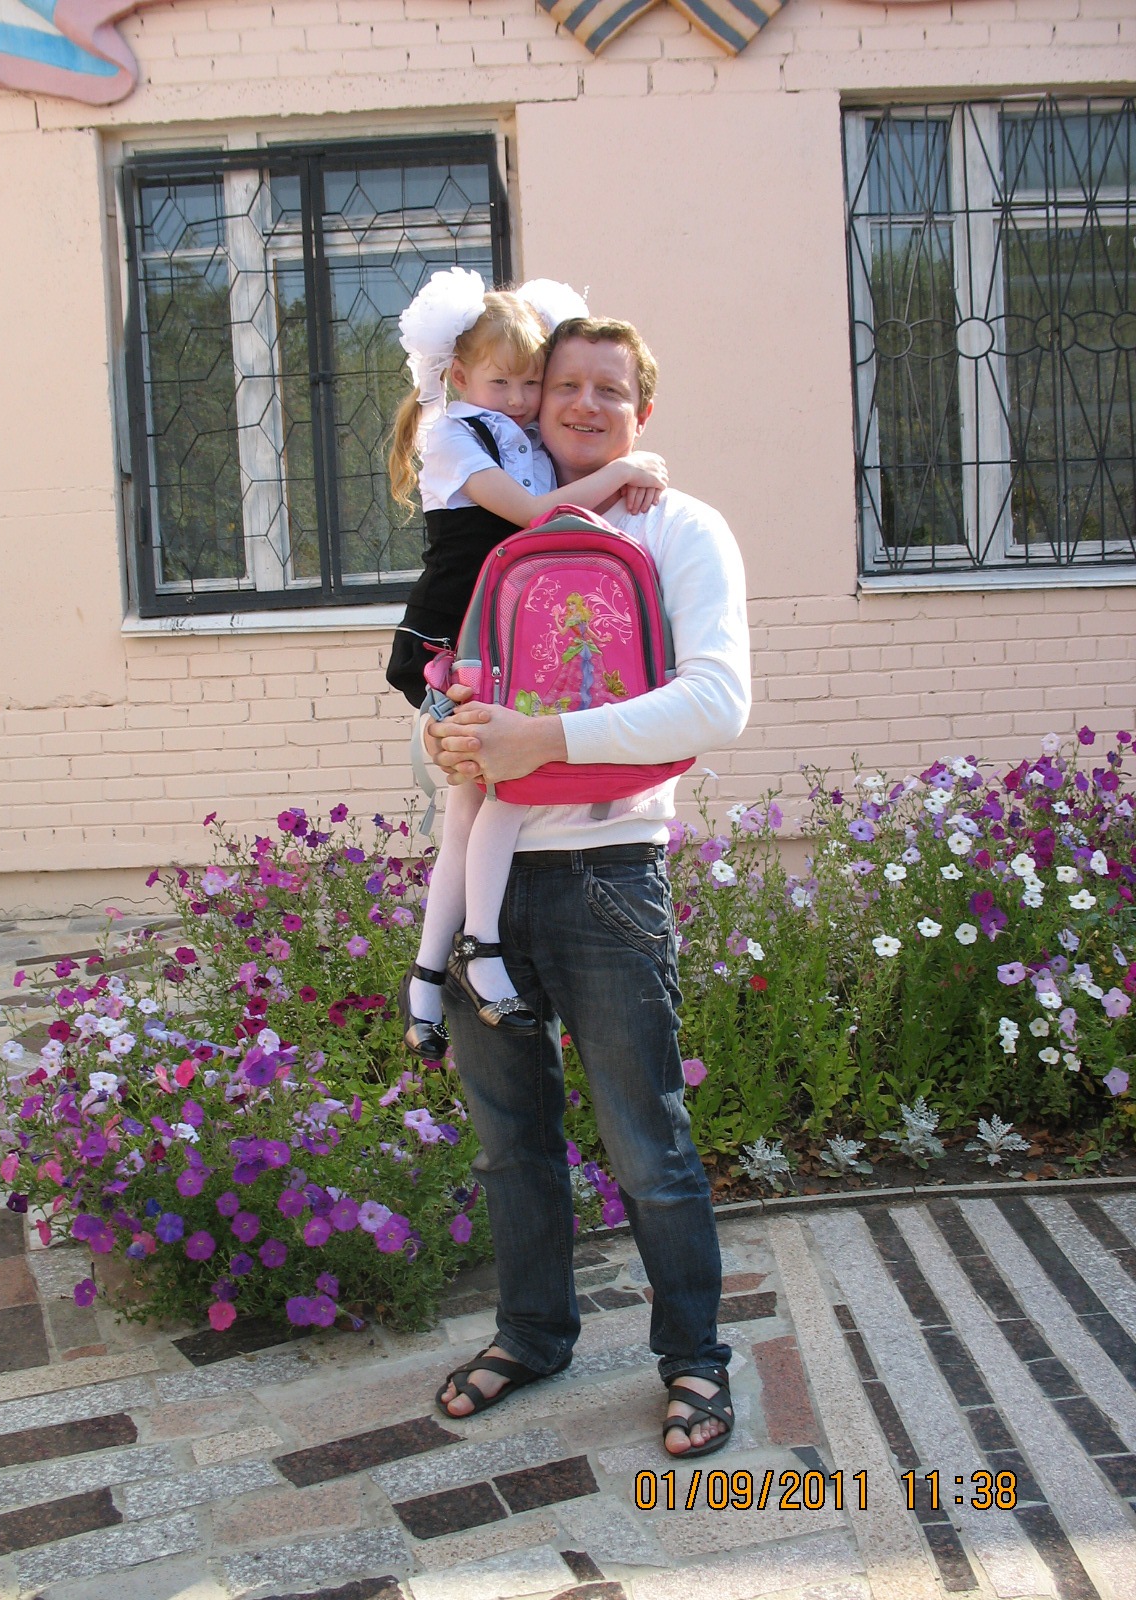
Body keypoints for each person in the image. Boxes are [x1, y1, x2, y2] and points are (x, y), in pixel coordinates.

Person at [427, 315, 752, 1460]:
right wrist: (448, 740)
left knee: (646, 1142)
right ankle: (532, 1334)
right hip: (487, 878)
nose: (582, 404)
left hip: (610, 872)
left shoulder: (681, 528)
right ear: (532, 402)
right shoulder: (501, 537)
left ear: (641, 411)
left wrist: (544, 737)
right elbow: (454, 692)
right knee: (508, 1141)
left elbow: (718, 700)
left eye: (609, 389)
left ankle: (695, 1359)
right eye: (563, 384)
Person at [385, 269, 669, 1061]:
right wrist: (627, 471)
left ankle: (426, 982)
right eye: (501, 382)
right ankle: (480, 952)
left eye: (529, 383)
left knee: (471, 811)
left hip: (495, 644)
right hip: (451, 643)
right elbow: (543, 517)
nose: (517, 399)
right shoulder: (451, 435)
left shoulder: (516, 436)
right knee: (504, 790)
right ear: (459, 375)